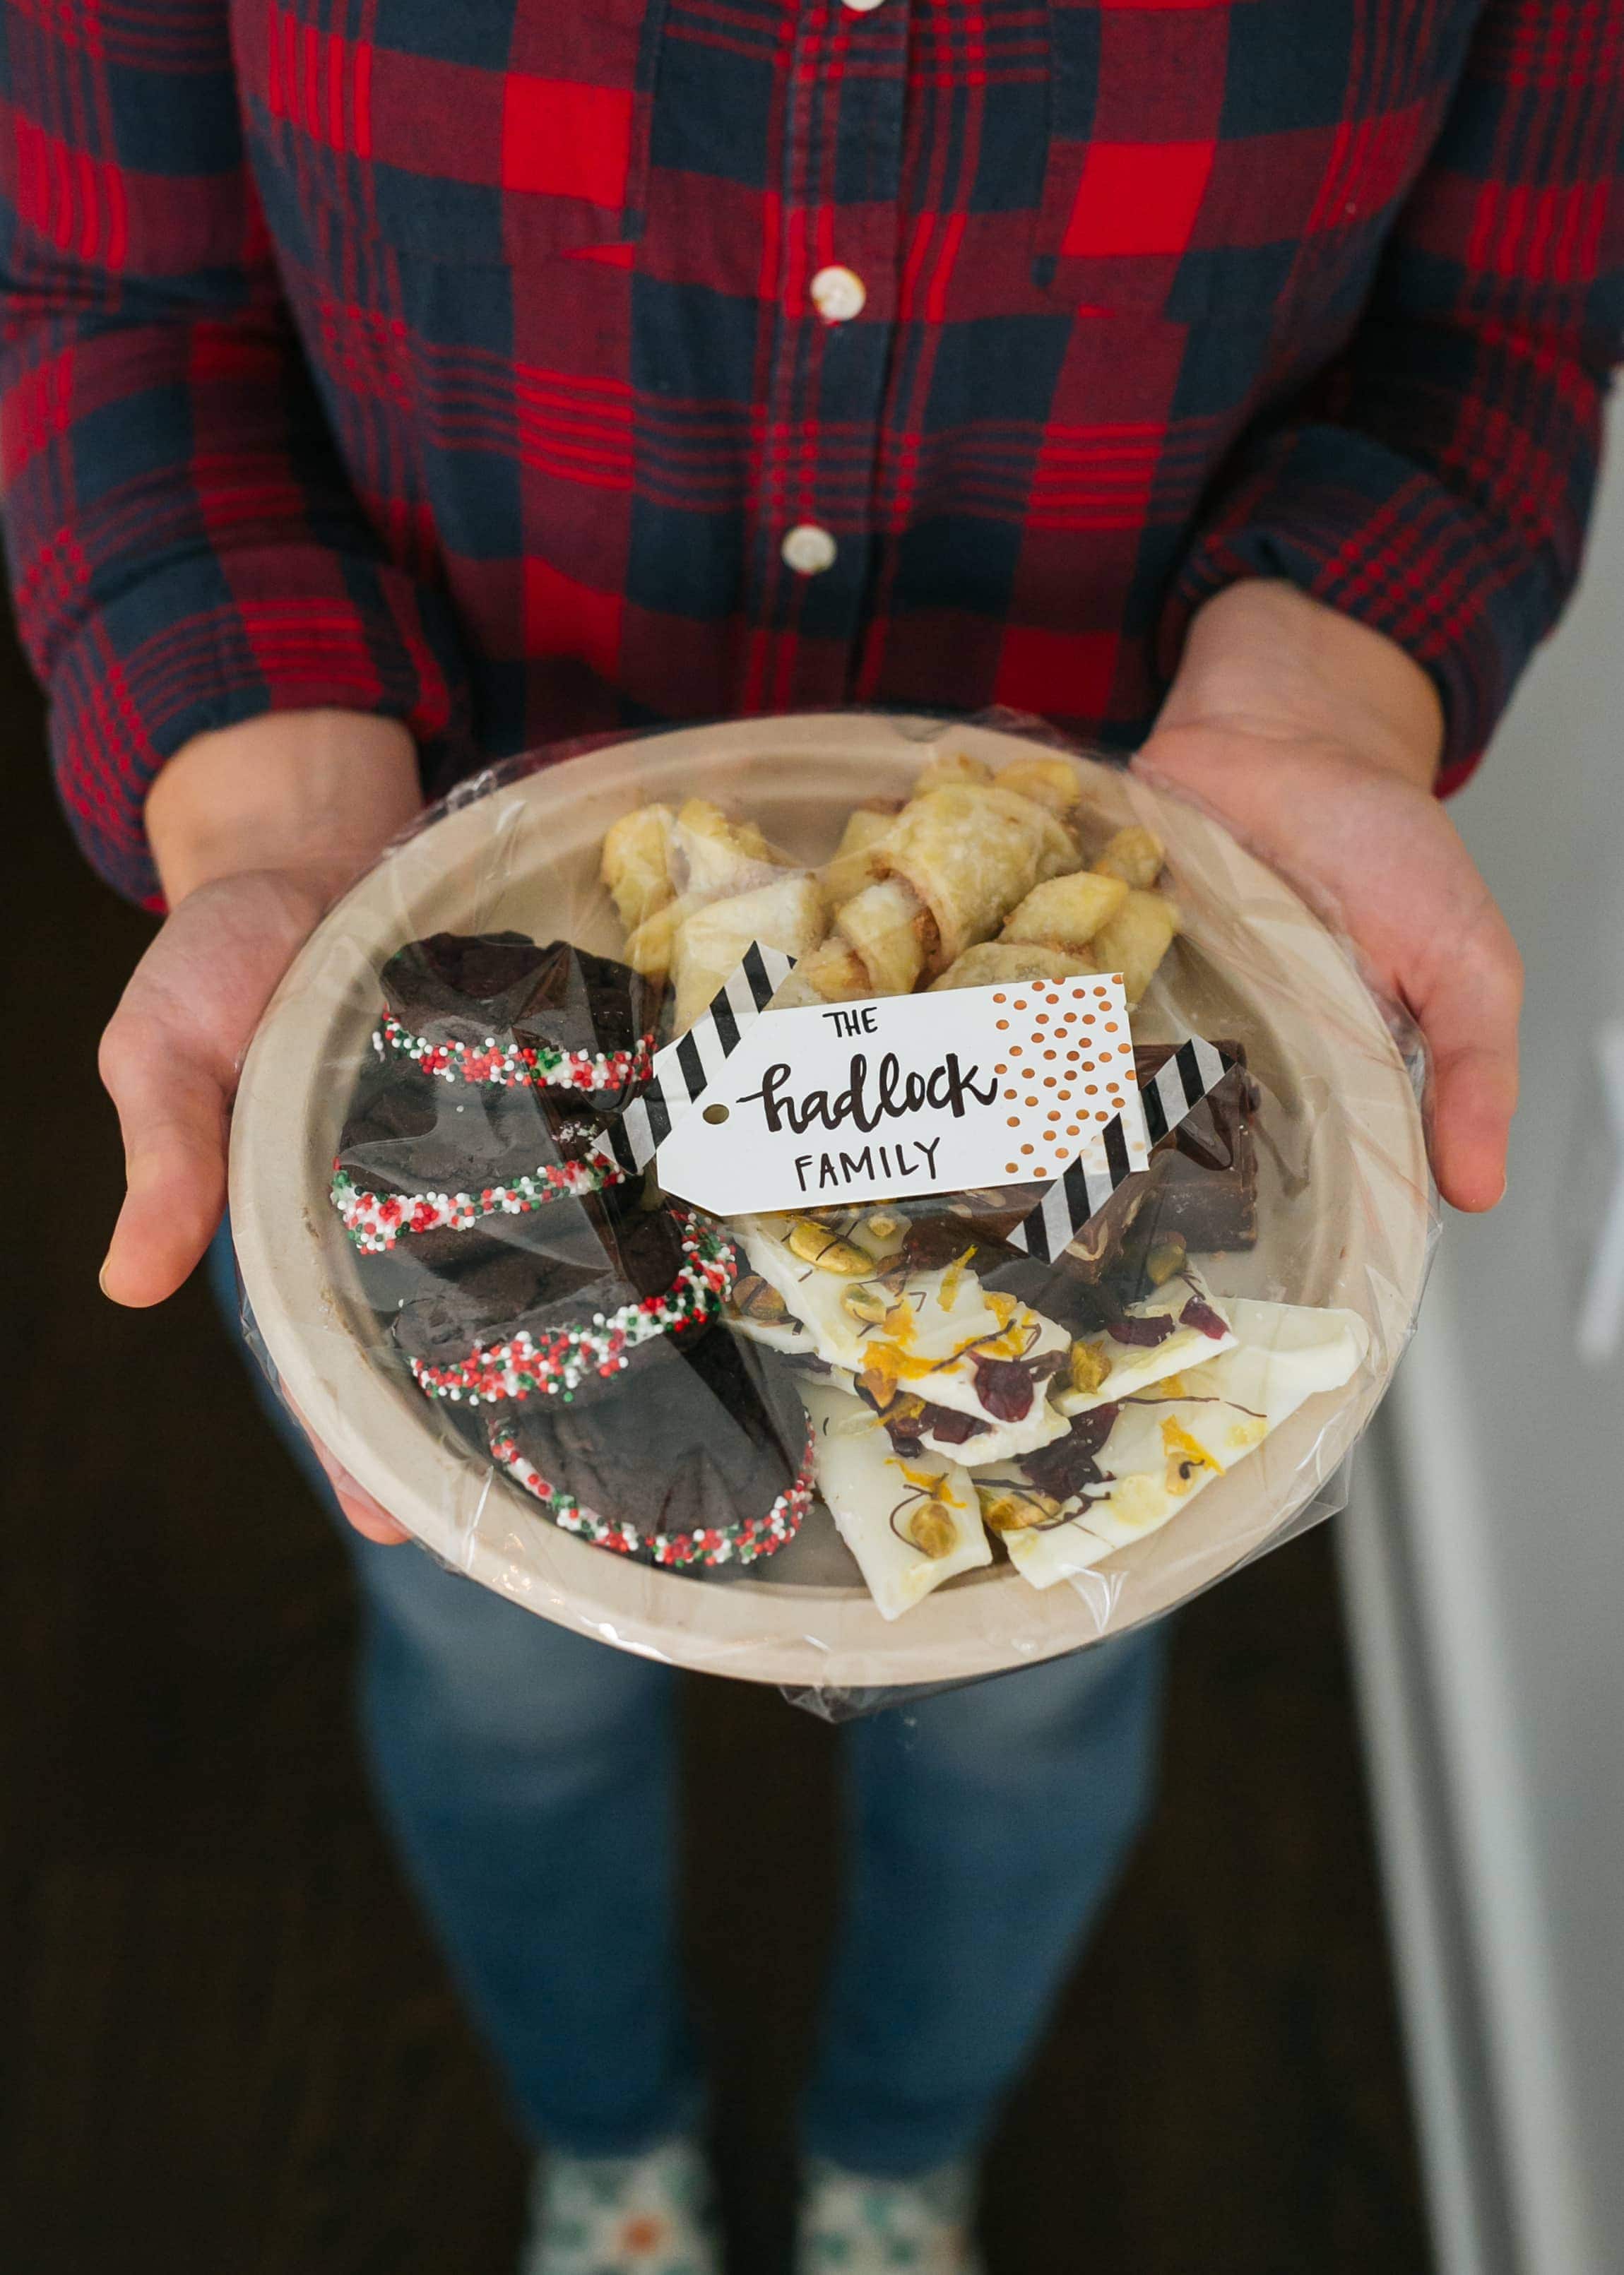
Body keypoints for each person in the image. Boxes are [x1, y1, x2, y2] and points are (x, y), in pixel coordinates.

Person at [5, 4, 1619, 2268]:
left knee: (1023, 1728)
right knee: (502, 1690)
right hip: (437, 1017)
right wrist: (276, 823)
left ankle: (895, 2154)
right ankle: (609, 2140)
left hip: (1128, 1020)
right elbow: (125, 306)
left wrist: (1323, 695)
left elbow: (1504, 321)